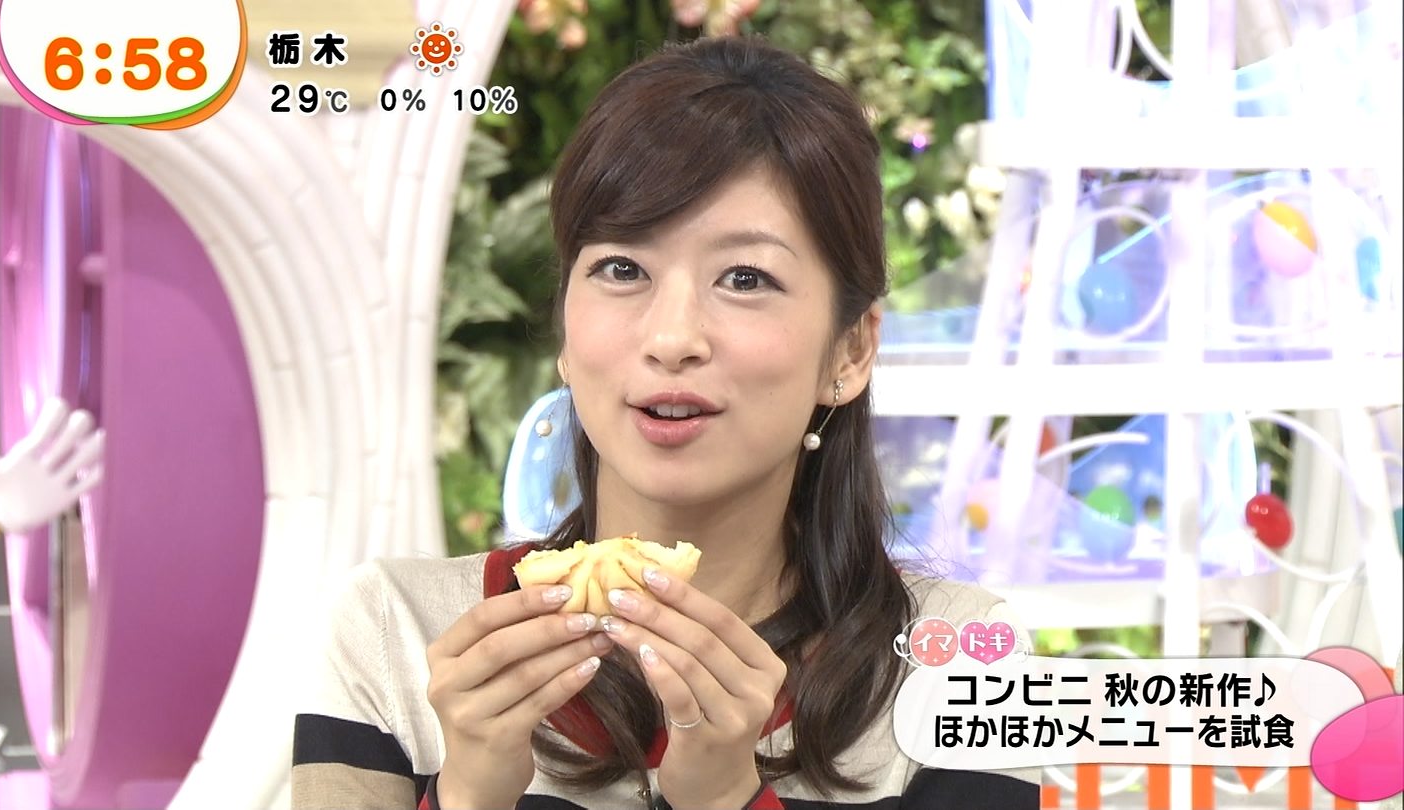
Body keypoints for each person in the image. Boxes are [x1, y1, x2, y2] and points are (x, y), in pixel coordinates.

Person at [292, 35, 1040, 810]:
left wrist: (725, 798)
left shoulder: (960, 663)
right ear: (566, 330)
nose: (672, 337)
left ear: (850, 350)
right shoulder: (398, 632)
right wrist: (469, 794)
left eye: (745, 278)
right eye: (622, 269)